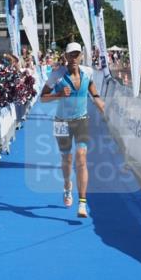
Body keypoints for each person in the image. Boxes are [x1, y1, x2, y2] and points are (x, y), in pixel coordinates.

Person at [40, 42, 106, 219]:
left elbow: (91, 86)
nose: (74, 58)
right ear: (66, 56)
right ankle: (68, 185)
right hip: (61, 122)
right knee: (67, 158)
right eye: (71, 55)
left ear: (81, 56)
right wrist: (58, 95)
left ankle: (82, 203)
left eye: (77, 54)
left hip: (81, 120)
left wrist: (97, 98)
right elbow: (42, 98)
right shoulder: (57, 75)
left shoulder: (88, 72)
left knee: (81, 158)